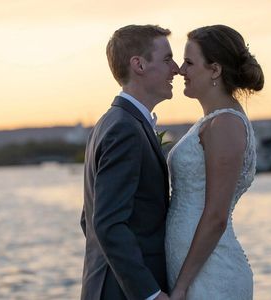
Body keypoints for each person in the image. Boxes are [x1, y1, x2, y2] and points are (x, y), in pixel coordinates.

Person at [165, 25, 264, 299]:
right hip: (193, 271)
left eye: (189, 62)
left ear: (215, 70)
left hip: (211, 275)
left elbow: (216, 216)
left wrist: (182, 285)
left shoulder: (226, 124)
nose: (181, 70)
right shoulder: (213, 120)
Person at [80, 24, 179, 300]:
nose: (177, 69)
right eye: (168, 59)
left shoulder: (109, 123)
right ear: (139, 65)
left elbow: (88, 219)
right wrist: (149, 293)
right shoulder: (125, 129)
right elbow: (106, 223)